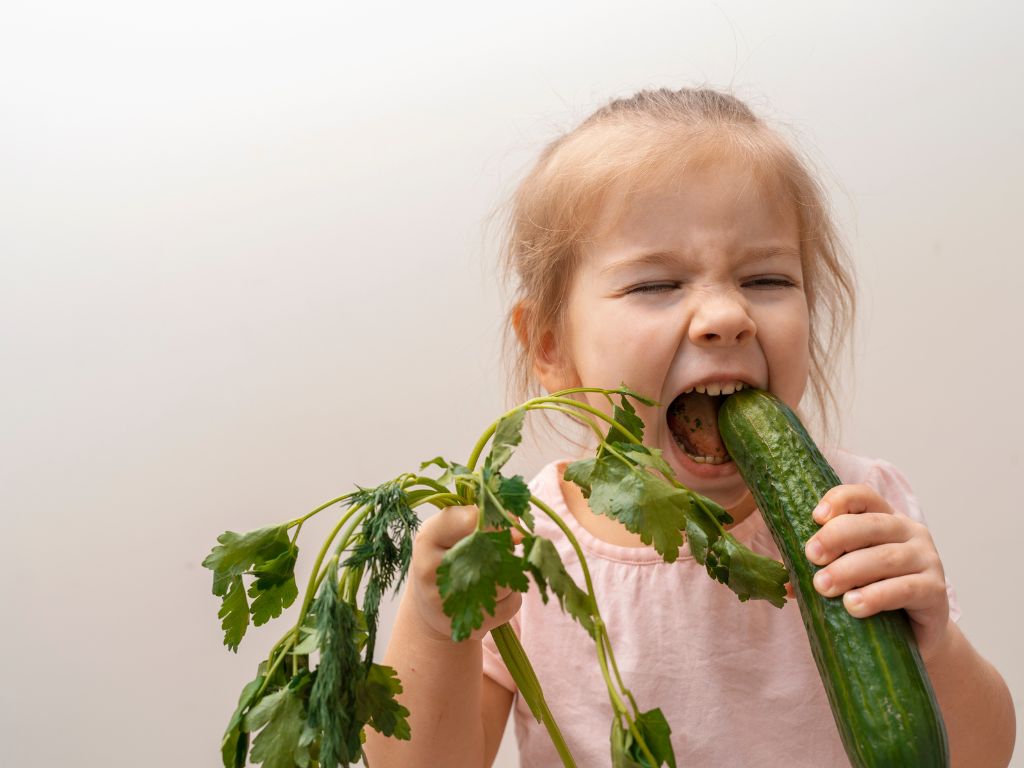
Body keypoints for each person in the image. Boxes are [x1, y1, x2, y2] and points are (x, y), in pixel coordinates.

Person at [362, 88, 1016, 767]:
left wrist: (936, 644)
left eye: (766, 278)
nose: (726, 316)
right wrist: (439, 631)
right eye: (655, 286)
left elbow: (982, 755)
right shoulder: (529, 545)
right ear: (550, 345)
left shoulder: (859, 506)